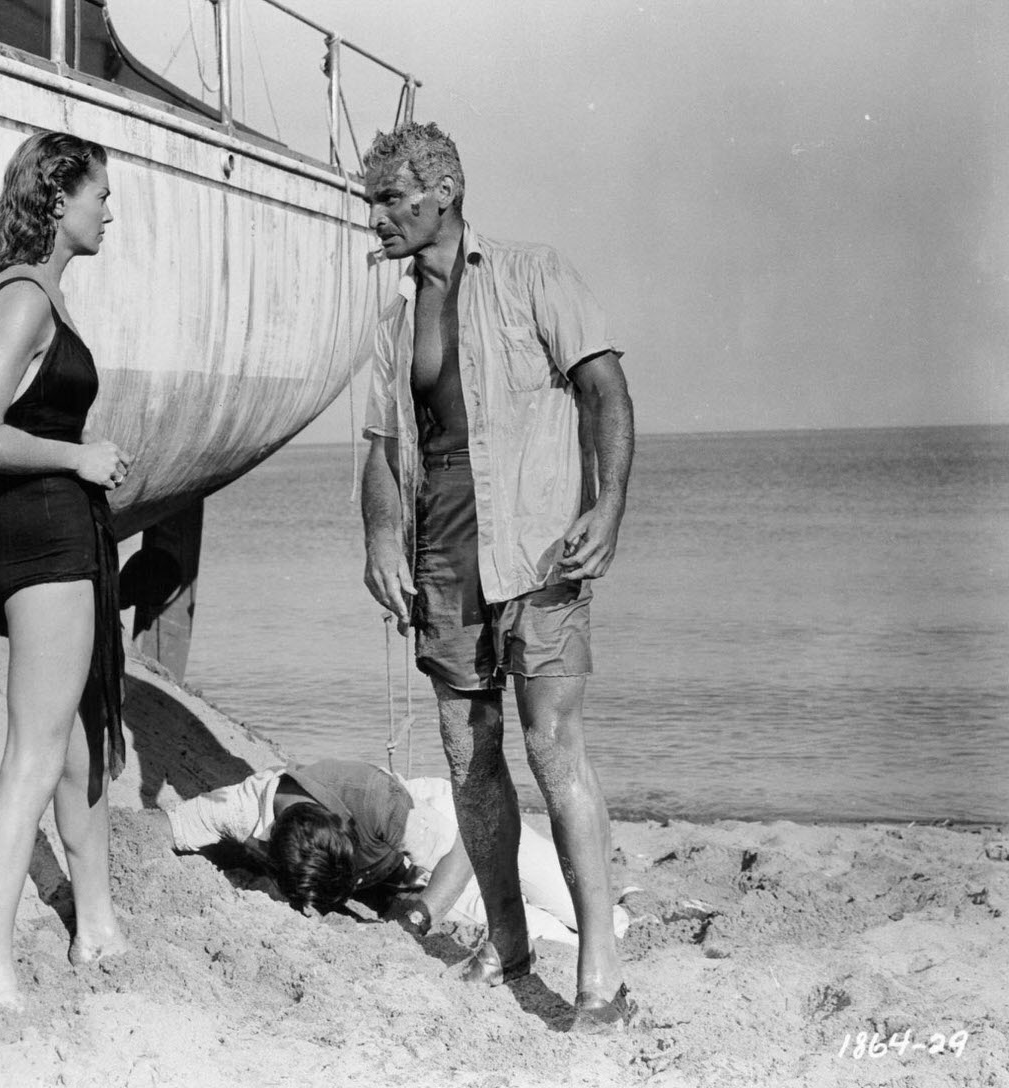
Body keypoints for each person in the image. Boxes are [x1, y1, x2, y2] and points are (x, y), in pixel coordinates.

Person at [358, 122, 636, 1032]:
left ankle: (600, 971)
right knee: (469, 758)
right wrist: (380, 541)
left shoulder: (531, 273)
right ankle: (507, 939)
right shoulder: (396, 315)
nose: (379, 221)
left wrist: (608, 506)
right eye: (374, 205)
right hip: (443, 559)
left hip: (539, 549)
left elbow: (606, 393)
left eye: (391, 202)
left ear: (441, 191)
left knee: (555, 753)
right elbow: (382, 448)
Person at [0, 131, 132, 1009]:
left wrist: (79, 462)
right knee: (33, 756)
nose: (110, 208)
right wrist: (79, 457)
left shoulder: (38, 296)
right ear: (58, 200)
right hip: (47, 545)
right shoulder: (23, 298)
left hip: (64, 539)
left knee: (81, 743)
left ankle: (95, 926)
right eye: (100, 192)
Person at [163, 760, 629, 948]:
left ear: (345, 827)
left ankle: (626, 907)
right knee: (552, 936)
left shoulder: (374, 802)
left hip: (442, 831)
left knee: (585, 907)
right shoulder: (240, 810)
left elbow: (464, 850)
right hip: (397, 874)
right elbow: (167, 827)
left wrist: (419, 920)